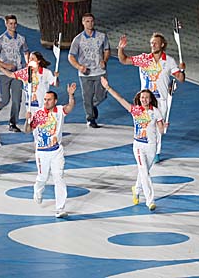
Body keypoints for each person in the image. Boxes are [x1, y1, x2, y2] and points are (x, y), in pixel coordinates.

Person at [117, 33, 185, 163]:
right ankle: (144, 149)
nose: (152, 45)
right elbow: (124, 60)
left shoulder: (169, 61)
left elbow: (180, 79)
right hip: (146, 101)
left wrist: (182, 70)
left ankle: (156, 153)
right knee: (145, 125)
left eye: (155, 43)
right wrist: (120, 48)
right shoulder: (144, 59)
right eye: (151, 43)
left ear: (162, 45)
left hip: (161, 100)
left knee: (159, 127)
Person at [100, 76, 164, 211]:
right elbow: (120, 99)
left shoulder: (156, 112)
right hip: (139, 146)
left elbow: (161, 130)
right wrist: (108, 87)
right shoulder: (136, 111)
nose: (144, 100)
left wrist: (164, 126)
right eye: (142, 98)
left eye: (146, 97)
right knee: (144, 173)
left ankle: (136, 189)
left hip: (152, 146)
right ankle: (150, 200)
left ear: (150, 99)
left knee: (144, 171)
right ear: (139, 99)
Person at [24, 83, 76, 218]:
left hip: (57, 151)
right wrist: (27, 120)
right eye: (45, 99)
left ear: (55, 101)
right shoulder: (39, 114)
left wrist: (71, 95)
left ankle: (60, 208)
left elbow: (70, 107)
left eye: (49, 99)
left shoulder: (59, 111)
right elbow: (27, 130)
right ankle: (38, 191)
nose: (46, 102)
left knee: (59, 178)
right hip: (42, 152)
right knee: (43, 177)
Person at [68, 12, 110, 128]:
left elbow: (107, 50)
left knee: (102, 95)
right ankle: (90, 118)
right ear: (83, 22)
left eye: (91, 21)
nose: (90, 23)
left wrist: (104, 60)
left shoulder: (102, 36)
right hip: (85, 73)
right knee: (87, 96)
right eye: (87, 21)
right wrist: (79, 67)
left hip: (100, 71)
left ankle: (92, 106)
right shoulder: (78, 39)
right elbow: (71, 56)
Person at [0, 14, 29, 132]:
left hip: (18, 73)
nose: (13, 25)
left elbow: (26, 52)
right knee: (4, 100)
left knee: (17, 99)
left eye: (14, 23)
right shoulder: (0, 40)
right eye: (10, 23)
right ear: (6, 24)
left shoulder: (21, 39)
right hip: (4, 74)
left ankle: (13, 123)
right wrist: (5, 65)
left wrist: (27, 63)